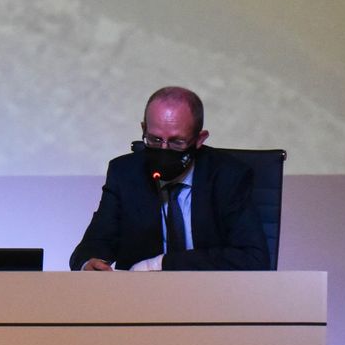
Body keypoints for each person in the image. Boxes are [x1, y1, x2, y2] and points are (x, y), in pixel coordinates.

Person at [70, 86, 268, 271]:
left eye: (177, 142)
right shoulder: (125, 173)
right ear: (143, 129)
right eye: (155, 139)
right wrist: (89, 263)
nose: (163, 150)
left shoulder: (228, 175)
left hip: (211, 295)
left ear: (199, 139)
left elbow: (253, 257)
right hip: (140, 298)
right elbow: (93, 244)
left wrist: (163, 263)